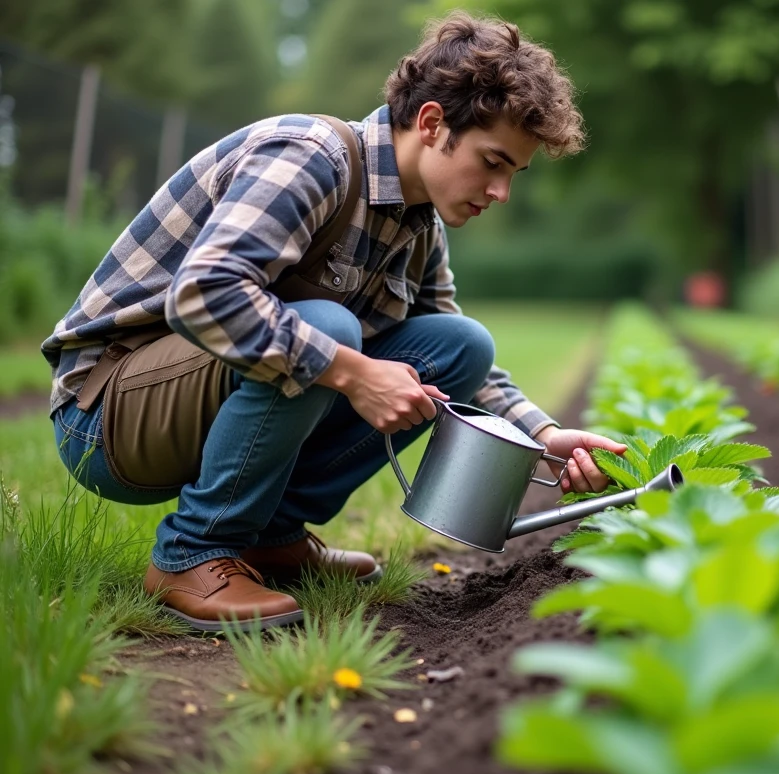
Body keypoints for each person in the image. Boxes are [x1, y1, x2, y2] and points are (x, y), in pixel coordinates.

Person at [41, 11, 626, 632]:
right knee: (330, 331)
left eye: (514, 172)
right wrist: (352, 373)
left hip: (182, 398)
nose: (501, 190)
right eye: (493, 161)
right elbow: (203, 294)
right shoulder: (310, 157)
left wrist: (543, 434)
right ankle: (194, 551)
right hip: (105, 415)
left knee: (460, 345)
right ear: (432, 124)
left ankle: (270, 534)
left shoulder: (417, 223)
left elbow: (459, 359)